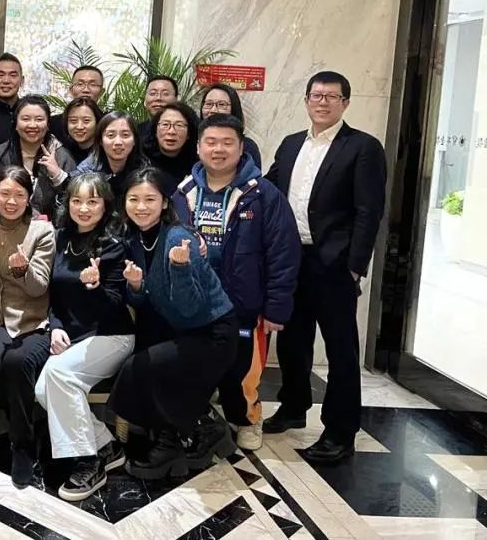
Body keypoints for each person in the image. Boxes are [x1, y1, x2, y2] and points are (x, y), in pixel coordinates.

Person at [263, 71, 386, 465]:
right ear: (306, 100)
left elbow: (369, 211)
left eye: (332, 97)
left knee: (340, 349)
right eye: (316, 95)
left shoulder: (363, 147)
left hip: (334, 264)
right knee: (291, 341)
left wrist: (355, 267)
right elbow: (268, 189)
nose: (323, 102)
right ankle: (293, 406)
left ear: (345, 103)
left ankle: (340, 431)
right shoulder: (290, 144)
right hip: (291, 259)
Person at [172, 114, 300, 451]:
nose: (218, 150)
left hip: (243, 304)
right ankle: (198, 419)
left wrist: (276, 309)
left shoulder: (263, 195)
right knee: (195, 366)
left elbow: (283, 254)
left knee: (243, 371)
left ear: (241, 148)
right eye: (211, 142)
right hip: (195, 303)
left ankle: (247, 420)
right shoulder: (182, 193)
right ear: (198, 147)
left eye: (227, 143)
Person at [110, 167, 239, 481]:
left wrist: (180, 268)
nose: (141, 206)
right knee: (145, 358)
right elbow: (147, 299)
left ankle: (199, 431)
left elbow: (190, 307)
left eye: (150, 199)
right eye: (134, 199)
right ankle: (183, 434)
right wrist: (136, 286)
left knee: (141, 368)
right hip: (183, 330)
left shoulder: (178, 238)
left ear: (165, 203)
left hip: (213, 334)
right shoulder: (136, 238)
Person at [35, 172, 130, 502]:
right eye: (77, 201)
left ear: (105, 205)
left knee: (59, 376)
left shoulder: (114, 245)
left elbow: (115, 305)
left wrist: (95, 287)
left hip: (111, 335)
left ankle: (89, 462)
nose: (84, 208)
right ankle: (107, 446)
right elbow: (52, 294)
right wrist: (56, 325)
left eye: (92, 201)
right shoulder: (60, 238)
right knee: (42, 389)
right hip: (72, 336)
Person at [0, 166, 55, 488]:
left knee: (17, 361)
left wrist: (23, 271)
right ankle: (26, 423)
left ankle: (22, 446)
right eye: (5, 193)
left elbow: (39, 288)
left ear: (29, 198)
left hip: (32, 321)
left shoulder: (42, 232)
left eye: (19, 195)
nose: (11, 201)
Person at [0, 95, 75, 222]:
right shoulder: (2, 153)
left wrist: (58, 175)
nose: (32, 125)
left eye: (39, 119)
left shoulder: (61, 156)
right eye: (25, 119)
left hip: (51, 229)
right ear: (15, 123)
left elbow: (74, 198)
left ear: (48, 124)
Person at [75, 111, 147, 200]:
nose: (118, 142)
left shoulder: (144, 170)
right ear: (100, 141)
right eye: (111, 135)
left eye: (125, 135)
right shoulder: (86, 172)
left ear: (134, 140)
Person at [198, 84, 262, 169]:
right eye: (208, 104)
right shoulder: (192, 142)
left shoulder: (248, 147)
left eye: (221, 104)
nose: (213, 110)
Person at [144, 102, 199, 193]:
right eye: (165, 124)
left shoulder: (197, 167)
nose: (171, 131)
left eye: (179, 125)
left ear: (189, 134)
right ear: (155, 130)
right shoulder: (141, 160)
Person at [49, 65, 106, 151]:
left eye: (93, 84)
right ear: (71, 90)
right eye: (80, 84)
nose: (86, 90)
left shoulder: (110, 123)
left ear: (101, 92)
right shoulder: (53, 123)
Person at [63, 96, 104, 164]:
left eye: (86, 120)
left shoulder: (106, 153)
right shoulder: (64, 152)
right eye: (73, 121)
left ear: (97, 122)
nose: (79, 127)